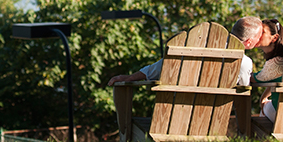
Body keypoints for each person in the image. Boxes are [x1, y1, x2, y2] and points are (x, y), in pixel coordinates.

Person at [106, 16, 264, 87]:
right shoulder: (243, 63)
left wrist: (129, 77)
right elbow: (244, 91)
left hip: (177, 119)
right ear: (249, 42)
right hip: (215, 120)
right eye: (259, 37)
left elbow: (160, 67)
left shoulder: (196, 51)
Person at [250, 18, 283, 122]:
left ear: (274, 37)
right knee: (266, 103)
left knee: (265, 107)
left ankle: (264, 137)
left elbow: (252, 78)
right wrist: (264, 97)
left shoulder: (276, 63)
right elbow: (274, 79)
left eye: (262, 32)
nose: (257, 35)